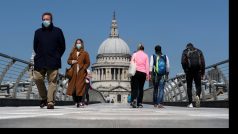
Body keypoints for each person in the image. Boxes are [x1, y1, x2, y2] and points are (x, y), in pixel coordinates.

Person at [33, 12, 65, 109]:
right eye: (44, 19)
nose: (45, 21)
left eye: (47, 19)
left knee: (52, 82)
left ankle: (50, 102)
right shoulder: (37, 32)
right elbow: (35, 46)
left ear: (51, 20)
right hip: (40, 60)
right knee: (37, 78)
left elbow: (62, 46)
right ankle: (44, 98)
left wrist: (57, 56)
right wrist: (39, 55)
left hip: (53, 61)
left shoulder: (58, 31)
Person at [67, 39, 90, 108]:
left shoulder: (85, 53)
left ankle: (80, 101)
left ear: (82, 44)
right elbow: (68, 61)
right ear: (75, 44)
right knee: (73, 88)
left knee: (80, 87)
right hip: (73, 73)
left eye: (79, 43)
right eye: (77, 43)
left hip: (81, 73)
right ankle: (76, 101)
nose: (78, 44)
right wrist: (72, 61)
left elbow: (88, 63)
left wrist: (83, 68)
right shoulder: (72, 53)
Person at [181, 43, 205, 108]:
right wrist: (203, 73)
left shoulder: (185, 51)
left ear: (187, 47)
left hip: (189, 71)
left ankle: (190, 103)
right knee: (198, 85)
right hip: (198, 71)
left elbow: (182, 62)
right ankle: (197, 96)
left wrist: (185, 70)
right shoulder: (199, 51)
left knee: (189, 86)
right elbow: (203, 62)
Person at [130, 43, 150, 108]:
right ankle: (140, 103)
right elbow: (147, 66)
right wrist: (147, 74)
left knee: (135, 88)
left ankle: (134, 100)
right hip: (143, 73)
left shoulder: (134, 54)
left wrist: (131, 72)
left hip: (136, 72)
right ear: (143, 49)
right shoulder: (146, 55)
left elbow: (131, 63)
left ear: (138, 48)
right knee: (141, 88)